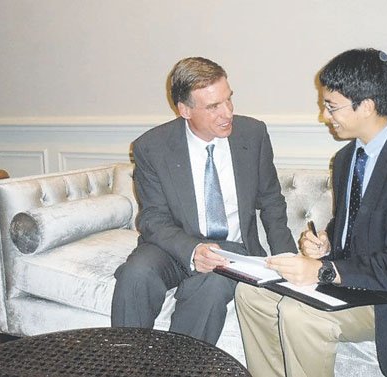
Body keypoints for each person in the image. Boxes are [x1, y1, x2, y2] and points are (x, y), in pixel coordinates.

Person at [235, 48, 387, 377]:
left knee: (298, 314)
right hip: (350, 280)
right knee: (250, 294)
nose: (324, 115)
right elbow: (355, 223)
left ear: (368, 106)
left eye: (332, 106)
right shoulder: (347, 158)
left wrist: (323, 270)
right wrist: (326, 244)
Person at [111, 57, 297, 345]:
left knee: (209, 288)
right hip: (175, 245)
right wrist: (193, 249)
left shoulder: (253, 134)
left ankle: (182, 367)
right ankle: (126, 362)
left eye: (228, 100)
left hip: (232, 250)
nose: (227, 113)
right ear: (184, 109)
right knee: (136, 274)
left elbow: (272, 200)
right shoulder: (152, 146)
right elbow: (153, 218)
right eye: (213, 107)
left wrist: (287, 259)